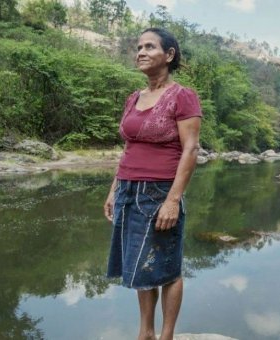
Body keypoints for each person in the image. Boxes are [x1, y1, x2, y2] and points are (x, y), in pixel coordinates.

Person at [104, 27, 202, 340]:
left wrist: (173, 200)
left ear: (169, 55)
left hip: (160, 191)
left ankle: (167, 335)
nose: (141, 52)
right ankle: (145, 333)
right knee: (138, 264)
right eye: (139, 47)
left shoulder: (182, 96)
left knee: (167, 267)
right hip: (128, 191)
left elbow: (191, 149)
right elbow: (129, 148)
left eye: (150, 46)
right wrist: (113, 190)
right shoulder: (134, 98)